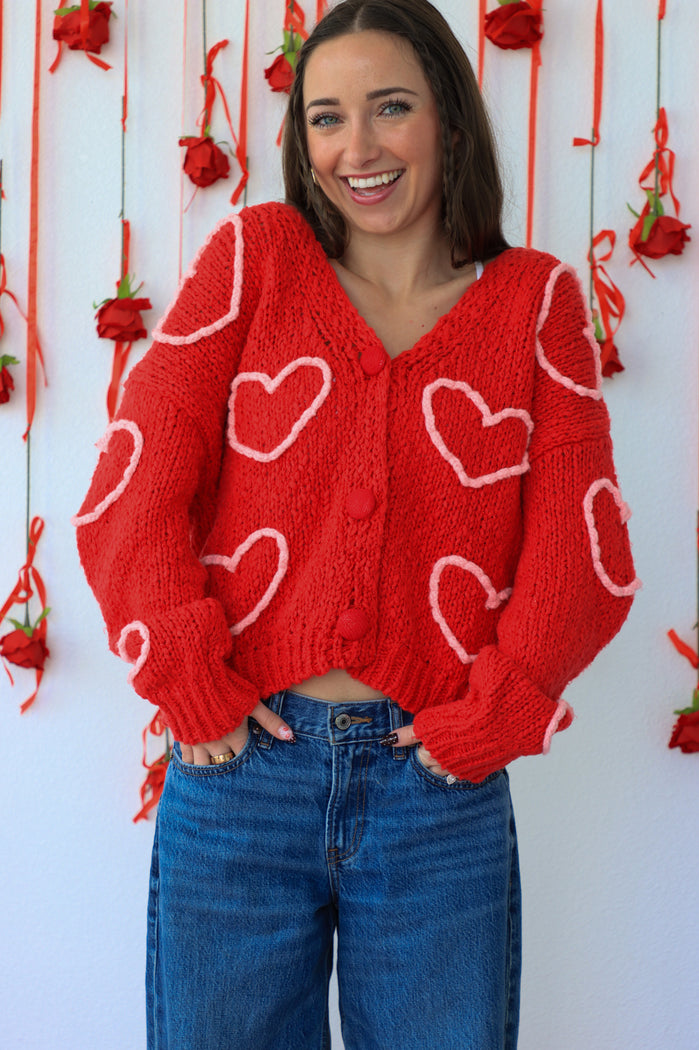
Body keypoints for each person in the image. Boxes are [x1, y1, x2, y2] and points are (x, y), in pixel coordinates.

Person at [74, 1, 639, 1047]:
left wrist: (497, 713)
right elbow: (133, 485)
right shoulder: (256, 261)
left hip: (438, 792)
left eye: (390, 108)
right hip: (240, 779)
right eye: (326, 118)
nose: (357, 148)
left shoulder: (534, 304)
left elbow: (584, 554)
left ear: (449, 121)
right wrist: (190, 679)